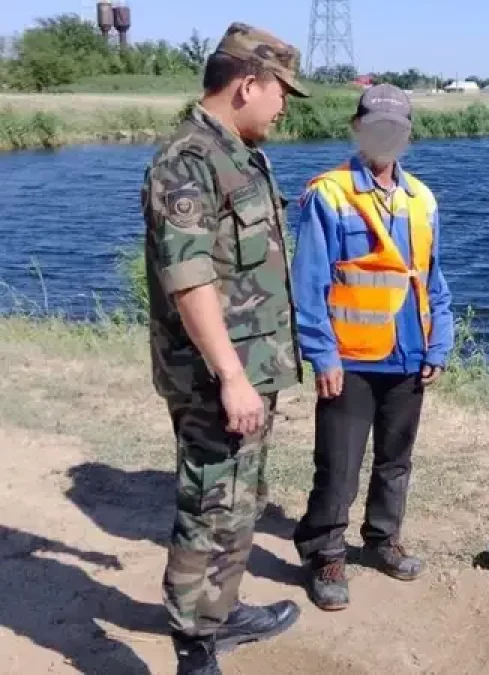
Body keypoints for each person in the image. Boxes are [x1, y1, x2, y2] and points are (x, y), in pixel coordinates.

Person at [141, 21, 309, 675]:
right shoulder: (186, 160)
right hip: (217, 373)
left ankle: (223, 606)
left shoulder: (236, 152)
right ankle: (194, 645)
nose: (284, 105)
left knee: (242, 494)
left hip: (246, 365)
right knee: (212, 500)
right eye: (280, 92)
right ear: (247, 84)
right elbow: (190, 281)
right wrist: (232, 375)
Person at [290, 83, 455, 611]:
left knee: (395, 460)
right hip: (351, 358)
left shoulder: (423, 198)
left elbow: (431, 279)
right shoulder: (330, 194)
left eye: (397, 128)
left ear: (407, 134)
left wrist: (439, 344)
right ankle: (325, 552)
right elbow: (308, 282)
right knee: (338, 463)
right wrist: (323, 354)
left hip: (409, 353)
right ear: (357, 128)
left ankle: (382, 538)